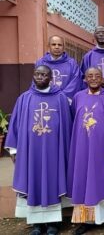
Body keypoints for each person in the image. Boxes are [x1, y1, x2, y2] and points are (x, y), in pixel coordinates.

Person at [5, 65, 72, 235]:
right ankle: (36, 224)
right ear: (33, 76)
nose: (40, 77)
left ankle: (53, 223)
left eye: (44, 74)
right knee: (32, 180)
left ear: (51, 78)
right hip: (30, 151)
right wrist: (14, 150)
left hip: (54, 151)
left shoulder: (61, 98)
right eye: (37, 74)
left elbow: (67, 127)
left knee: (53, 181)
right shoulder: (24, 98)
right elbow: (15, 125)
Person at [67, 67, 104, 234]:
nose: (93, 79)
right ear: (84, 79)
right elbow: (74, 121)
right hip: (82, 150)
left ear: (102, 79)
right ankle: (85, 221)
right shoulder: (78, 97)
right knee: (84, 182)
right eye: (90, 76)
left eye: (97, 76)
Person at [35, 35, 82, 102]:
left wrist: (61, 96)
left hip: (65, 100)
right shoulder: (41, 63)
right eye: (54, 44)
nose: (57, 47)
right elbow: (37, 82)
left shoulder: (72, 63)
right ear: (49, 46)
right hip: (46, 99)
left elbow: (76, 82)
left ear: (63, 47)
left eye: (59, 45)